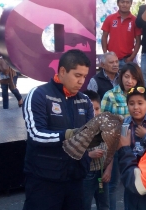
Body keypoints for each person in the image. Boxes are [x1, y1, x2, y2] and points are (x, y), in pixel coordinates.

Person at [22, 49, 93, 210]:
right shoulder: (39, 94)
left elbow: (91, 135)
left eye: (84, 76)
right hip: (44, 179)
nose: (82, 81)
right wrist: (68, 135)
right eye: (77, 75)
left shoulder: (85, 100)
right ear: (62, 71)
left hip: (76, 178)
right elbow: (35, 134)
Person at [101, 62, 145, 210]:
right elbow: (103, 123)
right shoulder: (110, 95)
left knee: (134, 184)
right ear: (121, 77)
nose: (129, 81)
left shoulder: (143, 95)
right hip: (115, 148)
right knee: (112, 185)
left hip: (139, 149)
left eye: (133, 78)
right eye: (126, 76)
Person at [123, 86, 146, 209]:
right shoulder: (125, 124)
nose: (136, 107)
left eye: (140, 103)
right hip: (131, 172)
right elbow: (121, 148)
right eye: (131, 103)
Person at [82, 90, 113, 210]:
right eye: (90, 109)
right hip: (87, 174)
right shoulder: (79, 129)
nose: (94, 113)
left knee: (104, 204)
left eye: (97, 108)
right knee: (85, 204)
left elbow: (111, 150)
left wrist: (109, 170)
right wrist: (89, 154)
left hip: (102, 174)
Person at [101, 0, 142, 69]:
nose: (125, 4)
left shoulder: (135, 20)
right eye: (122, 2)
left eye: (127, 2)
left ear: (131, 4)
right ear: (118, 3)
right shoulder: (110, 18)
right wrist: (106, 54)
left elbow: (138, 41)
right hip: (111, 60)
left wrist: (132, 57)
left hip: (127, 60)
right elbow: (104, 37)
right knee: (111, 79)